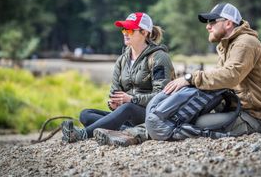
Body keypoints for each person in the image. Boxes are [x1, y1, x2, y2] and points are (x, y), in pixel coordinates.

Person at [92, 2, 261, 146]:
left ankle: (132, 135)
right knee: (187, 116)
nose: (208, 26)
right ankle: (130, 133)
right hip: (236, 108)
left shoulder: (245, 42)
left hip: (254, 117)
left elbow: (231, 76)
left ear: (228, 23)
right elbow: (224, 81)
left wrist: (190, 78)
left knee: (196, 122)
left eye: (212, 21)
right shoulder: (229, 44)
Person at [61, 12, 175, 143]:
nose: (125, 33)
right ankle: (122, 130)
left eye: (130, 30)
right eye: (124, 29)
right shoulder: (121, 60)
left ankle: (82, 135)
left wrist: (133, 100)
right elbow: (114, 91)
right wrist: (113, 104)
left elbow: (162, 95)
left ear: (145, 33)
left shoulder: (159, 57)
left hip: (152, 114)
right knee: (85, 114)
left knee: (128, 108)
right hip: (126, 114)